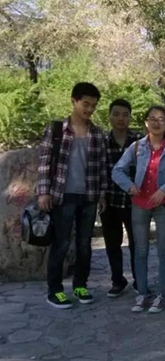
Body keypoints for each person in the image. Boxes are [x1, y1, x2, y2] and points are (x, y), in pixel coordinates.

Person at [38, 82, 108, 309]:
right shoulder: (57, 129)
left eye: (93, 105)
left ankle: (80, 285)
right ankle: (55, 290)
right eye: (85, 104)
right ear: (74, 101)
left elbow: (102, 166)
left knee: (84, 244)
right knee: (61, 243)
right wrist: (43, 192)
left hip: (88, 195)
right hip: (62, 195)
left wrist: (102, 193)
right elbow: (45, 162)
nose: (89, 109)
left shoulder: (97, 133)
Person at [112, 106, 165, 314]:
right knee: (140, 250)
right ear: (146, 122)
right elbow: (117, 170)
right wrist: (129, 186)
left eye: (161, 119)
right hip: (139, 204)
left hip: (163, 204)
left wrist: (164, 190)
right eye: (152, 118)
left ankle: (161, 294)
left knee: (164, 251)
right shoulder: (137, 146)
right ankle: (142, 292)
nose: (156, 123)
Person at [101, 99, 142, 298]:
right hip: (110, 200)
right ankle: (117, 280)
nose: (120, 118)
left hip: (133, 200)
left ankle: (139, 280)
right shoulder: (102, 141)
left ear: (130, 117)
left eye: (125, 115)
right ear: (109, 116)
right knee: (112, 243)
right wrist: (100, 195)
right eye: (116, 114)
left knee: (137, 243)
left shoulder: (139, 140)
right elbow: (99, 170)